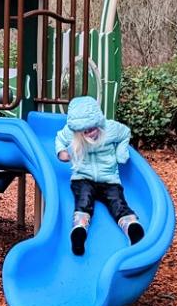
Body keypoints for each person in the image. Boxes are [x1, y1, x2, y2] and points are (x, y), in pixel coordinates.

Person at [55, 96, 144, 256]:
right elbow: (59, 139)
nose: (90, 133)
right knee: (83, 202)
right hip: (82, 178)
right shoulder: (71, 132)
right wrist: (61, 152)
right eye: (85, 131)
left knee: (117, 203)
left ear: (98, 122)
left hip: (109, 179)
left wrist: (121, 151)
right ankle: (79, 231)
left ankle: (132, 228)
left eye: (93, 128)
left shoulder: (110, 128)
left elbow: (126, 133)